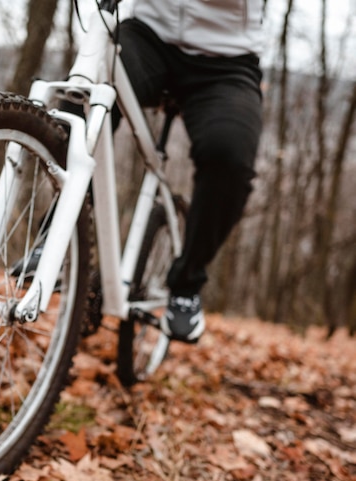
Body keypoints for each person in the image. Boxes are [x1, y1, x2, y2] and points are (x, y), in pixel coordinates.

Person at [120, 0, 265, 343]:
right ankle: (57, 231)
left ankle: (187, 282)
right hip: (148, 35)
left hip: (226, 59)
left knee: (230, 156)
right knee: (84, 88)